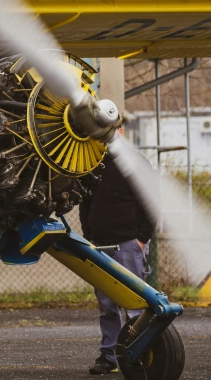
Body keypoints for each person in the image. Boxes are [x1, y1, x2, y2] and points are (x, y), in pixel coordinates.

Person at [79, 127, 155, 375]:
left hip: (128, 244)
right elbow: (85, 201)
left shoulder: (136, 163)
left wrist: (142, 238)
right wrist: (89, 237)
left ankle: (139, 354)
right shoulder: (90, 165)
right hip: (99, 245)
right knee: (106, 305)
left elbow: (151, 202)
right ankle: (109, 356)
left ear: (120, 131)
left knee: (134, 304)